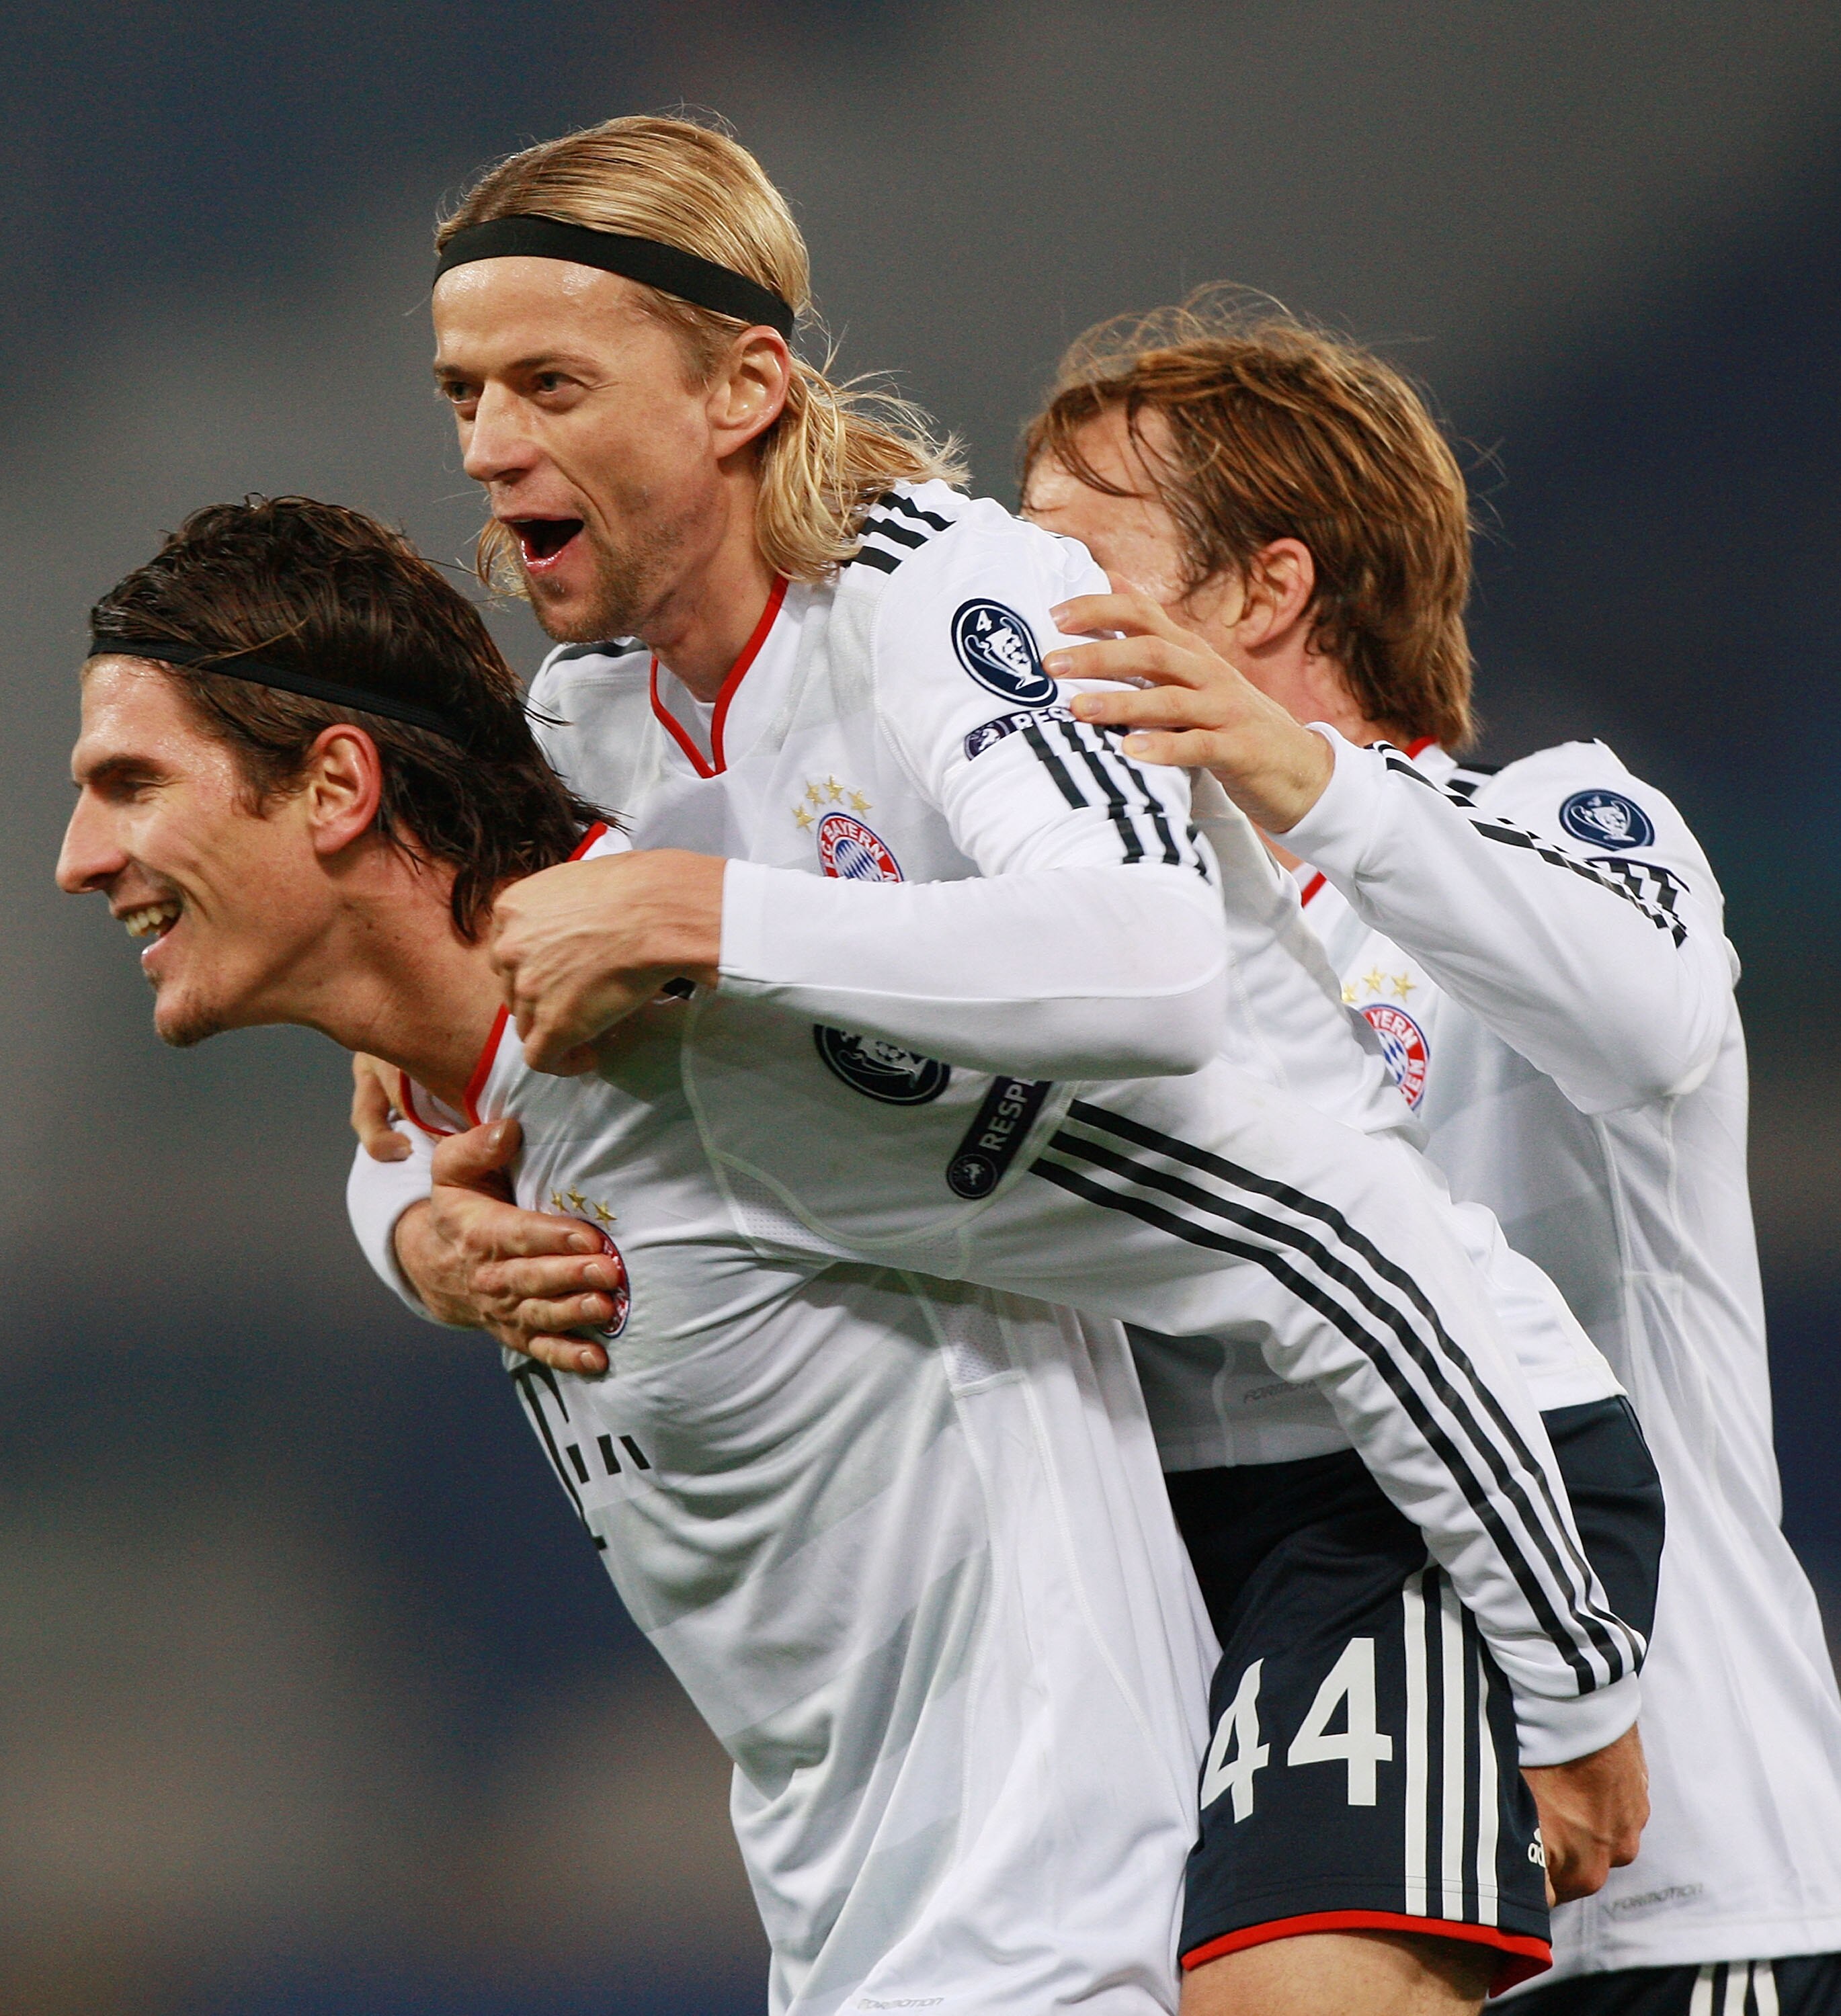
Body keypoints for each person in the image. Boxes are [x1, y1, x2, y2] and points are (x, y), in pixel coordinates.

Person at [343, 116, 1656, 2014]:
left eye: (552, 382)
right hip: (1126, 1480)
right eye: (463, 390)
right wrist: (411, 1234)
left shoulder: (943, 597)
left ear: (743, 387)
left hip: (1397, 1422)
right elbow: (446, 1052)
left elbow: (1143, 959)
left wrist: (703, 916)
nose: (486, 445)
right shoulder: (595, 715)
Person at [58, 497, 1225, 2016]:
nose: (81, 859)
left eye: (129, 784)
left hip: (1061, 1947)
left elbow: (1277, 1218)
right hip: (855, 1955)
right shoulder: (468, 1107)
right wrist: (410, 1237)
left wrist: (1573, 1666)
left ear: (336, 782)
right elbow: (420, 1149)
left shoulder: (715, 1035)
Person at [1017, 292, 1841, 2014]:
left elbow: (1639, 1021)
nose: (1013, 625)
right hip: (1322, 1853)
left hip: (1668, 1880)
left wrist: (1298, 779)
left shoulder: (1561, 821)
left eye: (1064, 564)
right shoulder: (1118, 956)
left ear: (1266, 587)